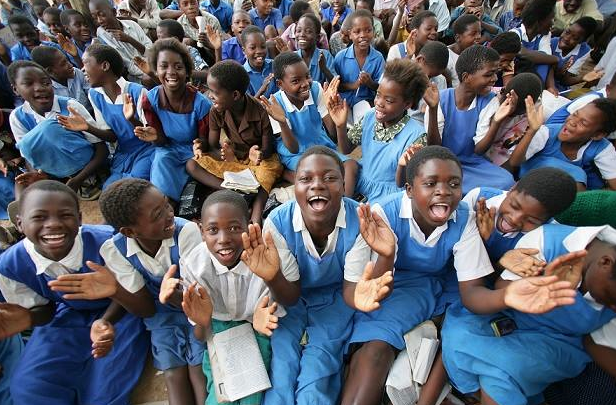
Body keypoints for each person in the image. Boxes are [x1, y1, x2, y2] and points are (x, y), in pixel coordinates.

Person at [341, 145, 578, 405]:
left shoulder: (465, 217)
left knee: (455, 333)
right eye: (430, 183)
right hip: (404, 285)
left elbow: (472, 292)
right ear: (409, 190)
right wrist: (386, 254)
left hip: (452, 284)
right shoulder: (382, 215)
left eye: (454, 184)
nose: (443, 191)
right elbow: (375, 288)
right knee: (376, 348)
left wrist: (508, 294)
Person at [52, 179, 207, 405]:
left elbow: (196, 295)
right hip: (160, 315)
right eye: (157, 214)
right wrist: (116, 290)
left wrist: (172, 294)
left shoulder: (186, 232)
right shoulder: (115, 250)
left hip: (195, 308)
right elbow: (145, 309)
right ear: (129, 231)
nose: (169, 214)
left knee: (198, 369)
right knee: (173, 373)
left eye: (166, 204)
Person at [0, 180, 149, 405]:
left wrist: (105, 320)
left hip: (119, 312)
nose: (53, 224)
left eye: (65, 215)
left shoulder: (109, 242)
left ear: (79, 219)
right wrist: (30, 317)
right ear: (20, 224)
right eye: (39, 217)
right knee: (30, 389)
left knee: (106, 392)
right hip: (65, 315)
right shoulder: (10, 265)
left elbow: (137, 296)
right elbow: (45, 311)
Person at [263, 146, 389, 405]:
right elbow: (289, 296)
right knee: (282, 369)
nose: (317, 185)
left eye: (330, 178)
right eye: (306, 179)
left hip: (337, 299)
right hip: (290, 297)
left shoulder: (360, 221)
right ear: (294, 186)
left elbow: (350, 290)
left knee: (318, 370)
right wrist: (272, 276)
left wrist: (358, 299)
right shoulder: (277, 223)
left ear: (344, 185)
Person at [442, 222, 616, 405]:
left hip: (559, 342)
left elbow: (596, 342)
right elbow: (501, 288)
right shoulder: (547, 241)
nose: (613, 308)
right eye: (611, 298)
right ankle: (479, 393)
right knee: (458, 337)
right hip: (510, 315)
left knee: (507, 370)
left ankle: (481, 395)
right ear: (605, 262)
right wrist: (540, 282)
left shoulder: (610, 295)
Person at [164, 189, 299, 405]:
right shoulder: (193, 263)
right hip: (218, 326)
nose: (224, 239)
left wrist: (266, 315)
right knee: (221, 396)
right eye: (213, 230)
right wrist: (203, 321)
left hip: (259, 326)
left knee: (252, 395)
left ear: (250, 226)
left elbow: (284, 302)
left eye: (235, 228)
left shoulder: (268, 257)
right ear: (201, 231)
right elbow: (201, 334)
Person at [187, 60, 283, 224]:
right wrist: (222, 153)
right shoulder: (216, 111)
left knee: (269, 170)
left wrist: (258, 154)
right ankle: (233, 191)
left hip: (257, 164)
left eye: (215, 92)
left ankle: (256, 216)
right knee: (191, 164)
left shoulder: (260, 111)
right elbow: (212, 145)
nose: (210, 95)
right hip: (235, 161)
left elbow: (268, 149)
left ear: (235, 95)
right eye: (210, 90)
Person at [259, 52, 358, 195]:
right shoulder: (275, 104)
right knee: (319, 172)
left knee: (351, 165)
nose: (305, 83)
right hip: (295, 153)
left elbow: (332, 135)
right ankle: (289, 173)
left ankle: (346, 202)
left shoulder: (316, 89)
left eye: (307, 76)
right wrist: (282, 122)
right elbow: (292, 148)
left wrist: (331, 109)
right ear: (280, 84)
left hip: (320, 145)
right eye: (296, 81)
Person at [330, 59, 429, 202]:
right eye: (378, 95)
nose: (379, 103)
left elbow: (402, 182)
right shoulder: (370, 116)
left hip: (389, 194)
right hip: (363, 180)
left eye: (388, 101)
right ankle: (344, 205)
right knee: (346, 164)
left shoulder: (417, 135)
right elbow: (346, 149)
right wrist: (340, 125)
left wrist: (402, 165)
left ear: (407, 104)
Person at [7, 61, 108, 199]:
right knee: (21, 180)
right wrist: (38, 175)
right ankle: (23, 208)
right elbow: (29, 156)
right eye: (29, 84)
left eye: (45, 83)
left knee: (49, 129)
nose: (40, 88)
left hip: (87, 167)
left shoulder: (70, 106)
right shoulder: (17, 117)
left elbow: (102, 149)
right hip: (52, 172)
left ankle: (88, 181)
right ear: (15, 89)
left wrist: (77, 180)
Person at [425, 45, 515, 194]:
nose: (494, 79)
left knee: (507, 180)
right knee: (444, 186)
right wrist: (433, 109)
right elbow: (434, 147)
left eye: (496, 74)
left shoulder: (489, 101)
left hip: (472, 163)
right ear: (466, 77)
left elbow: (479, 149)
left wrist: (496, 122)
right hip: (441, 162)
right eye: (488, 75)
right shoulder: (440, 99)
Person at [139, 38, 212, 205]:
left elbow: (206, 141)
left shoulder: (201, 103)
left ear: (187, 72)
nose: (171, 72)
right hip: (169, 149)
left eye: (178, 67)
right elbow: (162, 142)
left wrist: (199, 145)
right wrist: (154, 137)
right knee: (161, 160)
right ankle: (164, 205)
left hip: (195, 153)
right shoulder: (151, 99)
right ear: (156, 71)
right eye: (164, 66)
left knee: (195, 172)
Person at [463, 167, 577, 263]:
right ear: (512, 189)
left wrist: (489, 241)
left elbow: (508, 274)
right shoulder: (478, 197)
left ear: (547, 220)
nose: (514, 219)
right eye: (514, 206)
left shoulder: (544, 238)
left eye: (531, 220)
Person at [82, 44, 155, 188]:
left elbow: (151, 135)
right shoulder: (95, 94)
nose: (83, 69)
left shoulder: (137, 92)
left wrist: (131, 119)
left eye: (86, 63)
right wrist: (87, 127)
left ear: (104, 66)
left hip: (147, 150)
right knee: (109, 188)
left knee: (133, 184)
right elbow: (112, 135)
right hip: (124, 152)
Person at [509, 97, 616, 191]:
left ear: (597, 135)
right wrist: (532, 131)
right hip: (529, 178)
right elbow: (514, 162)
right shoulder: (547, 132)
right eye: (575, 114)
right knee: (578, 175)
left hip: (560, 189)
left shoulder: (602, 147)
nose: (572, 122)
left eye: (583, 123)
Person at [473, 72, 543, 166]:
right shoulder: (492, 103)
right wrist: (496, 122)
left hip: (499, 148)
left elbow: (513, 162)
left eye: (514, 112)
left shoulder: (528, 114)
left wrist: (532, 130)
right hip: (480, 148)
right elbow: (479, 149)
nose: (510, 112)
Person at [334, 9, 385, 122]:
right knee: (343, 123)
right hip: (343, 103)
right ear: (350, 34)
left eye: (368, 30)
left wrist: (369, 82)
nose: (363, 35)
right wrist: (354, 85)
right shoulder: (340, 57)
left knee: (363, 120)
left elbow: (381, 88)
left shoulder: (378, 58)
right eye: (357, 32)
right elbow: (336, 86)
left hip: (365, 103)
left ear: (374, 31)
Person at [89, 0, 152, 82]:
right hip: (138, 77)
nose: (99, 21)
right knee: (148, 78)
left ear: (114, 12)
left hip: (152, 64)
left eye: (102, 15)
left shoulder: (132, 25)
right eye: (94, 18)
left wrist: (130, 40)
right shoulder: (103, 37)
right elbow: (130, 68)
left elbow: (151, 52)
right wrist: (150, 72)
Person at [509, 0, 558, 92]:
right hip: (515, 82)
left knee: (544, 63)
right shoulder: (515, 33)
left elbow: (547, 60)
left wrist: (551, 86)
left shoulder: (545, 36)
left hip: (535, 82)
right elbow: (522, 53)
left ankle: (539, 90)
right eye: (551, 19)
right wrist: (555, 58)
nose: (552, 23)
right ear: (539, 21)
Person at [30, 46, 92, 112]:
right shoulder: (47, 91)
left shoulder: (76, 73)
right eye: (63, 64)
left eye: (67, 60)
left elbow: (92, 96)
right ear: (50, 71)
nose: (70, 65)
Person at [551, 17, 599, 91]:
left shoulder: (584, 51)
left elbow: (565, 81)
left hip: (559, 87)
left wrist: (582, 78)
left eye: (575, 38)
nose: (567, 38)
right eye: (567, 32)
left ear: (582, 41)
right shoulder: (552, 42)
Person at [295, 13, 336, 84]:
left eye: (308, 31)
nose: (302, 35)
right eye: (299, 31)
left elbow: (335, 84)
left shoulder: (325, 55)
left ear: (318, 37)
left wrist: (324, 69)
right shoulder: (293, 57)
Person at [241, 25, 278, 98]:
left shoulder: (274, 65)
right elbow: (248, 106)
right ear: (244, 51)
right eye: (252, 48)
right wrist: (262, 90)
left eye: (263, 47)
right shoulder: (242, 75)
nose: (259, 51)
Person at [446, 13, 482, 87]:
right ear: (458, 38)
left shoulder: (478, 54)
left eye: (479, 33)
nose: (478, 37)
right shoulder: (446, 56)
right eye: (473, 34)